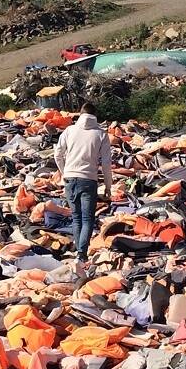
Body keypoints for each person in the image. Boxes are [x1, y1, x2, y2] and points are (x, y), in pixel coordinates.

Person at [54, 102, 112, 264]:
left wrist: (64, 172)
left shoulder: (69, 131)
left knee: (76, 217)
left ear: (80, 113)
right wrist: (108, 186)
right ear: (95, 116)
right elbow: (106, 163)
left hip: (70, 179)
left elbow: (58, 154)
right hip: (89, 180)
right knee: (87, 219)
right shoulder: (101, 134)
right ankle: (81, 254)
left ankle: (79, 252)